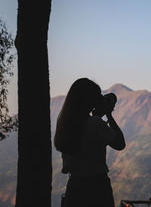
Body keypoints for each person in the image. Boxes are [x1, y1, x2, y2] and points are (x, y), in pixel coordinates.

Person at [54, 78, 126, 207]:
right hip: (97, 187)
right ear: (89, 100)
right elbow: (120, 144)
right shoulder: (95, 123)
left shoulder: (65, 124)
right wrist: (109, 114)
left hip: (74, 187)